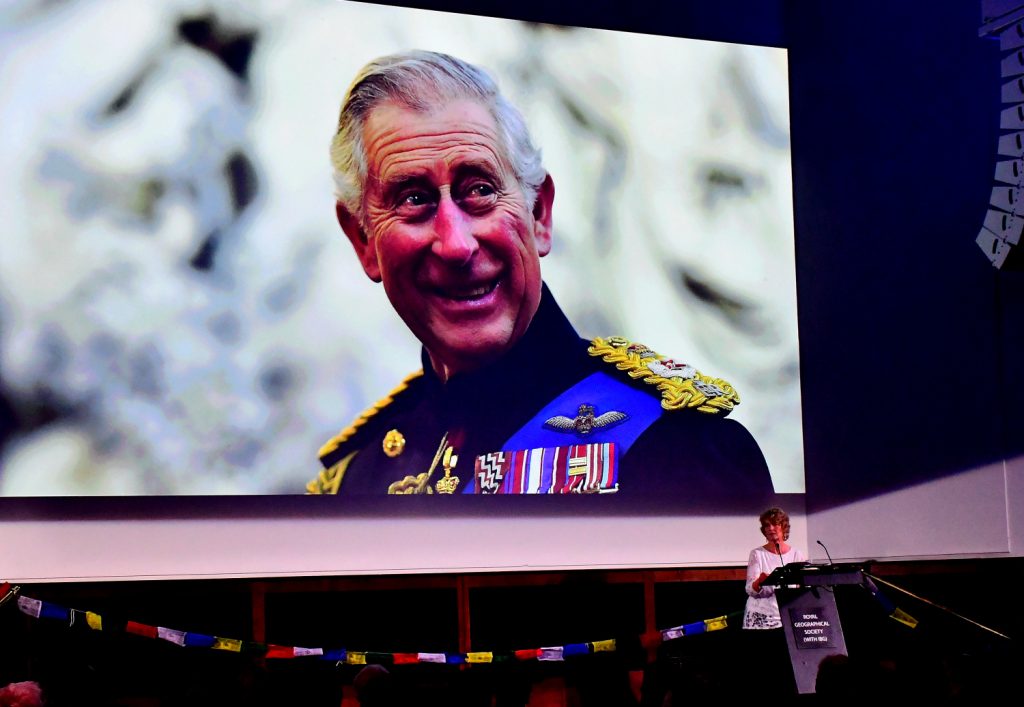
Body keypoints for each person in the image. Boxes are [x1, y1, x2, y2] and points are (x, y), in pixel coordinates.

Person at [308, 50, 774, 502]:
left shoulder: (682, 452)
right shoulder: (354, 482)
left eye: (480, 190)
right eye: (413, 199)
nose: (456, 244)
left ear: (539, 214)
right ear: (363, 241)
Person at [743, 507, 807, 629]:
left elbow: (801, 588)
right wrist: (760, 581)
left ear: (784, 526)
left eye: (774, 524)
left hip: (789, 618)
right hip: (761, 620)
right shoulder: (757, 554)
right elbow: (750, 590)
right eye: (767, 525)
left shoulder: (796, 555)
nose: (770, 528)